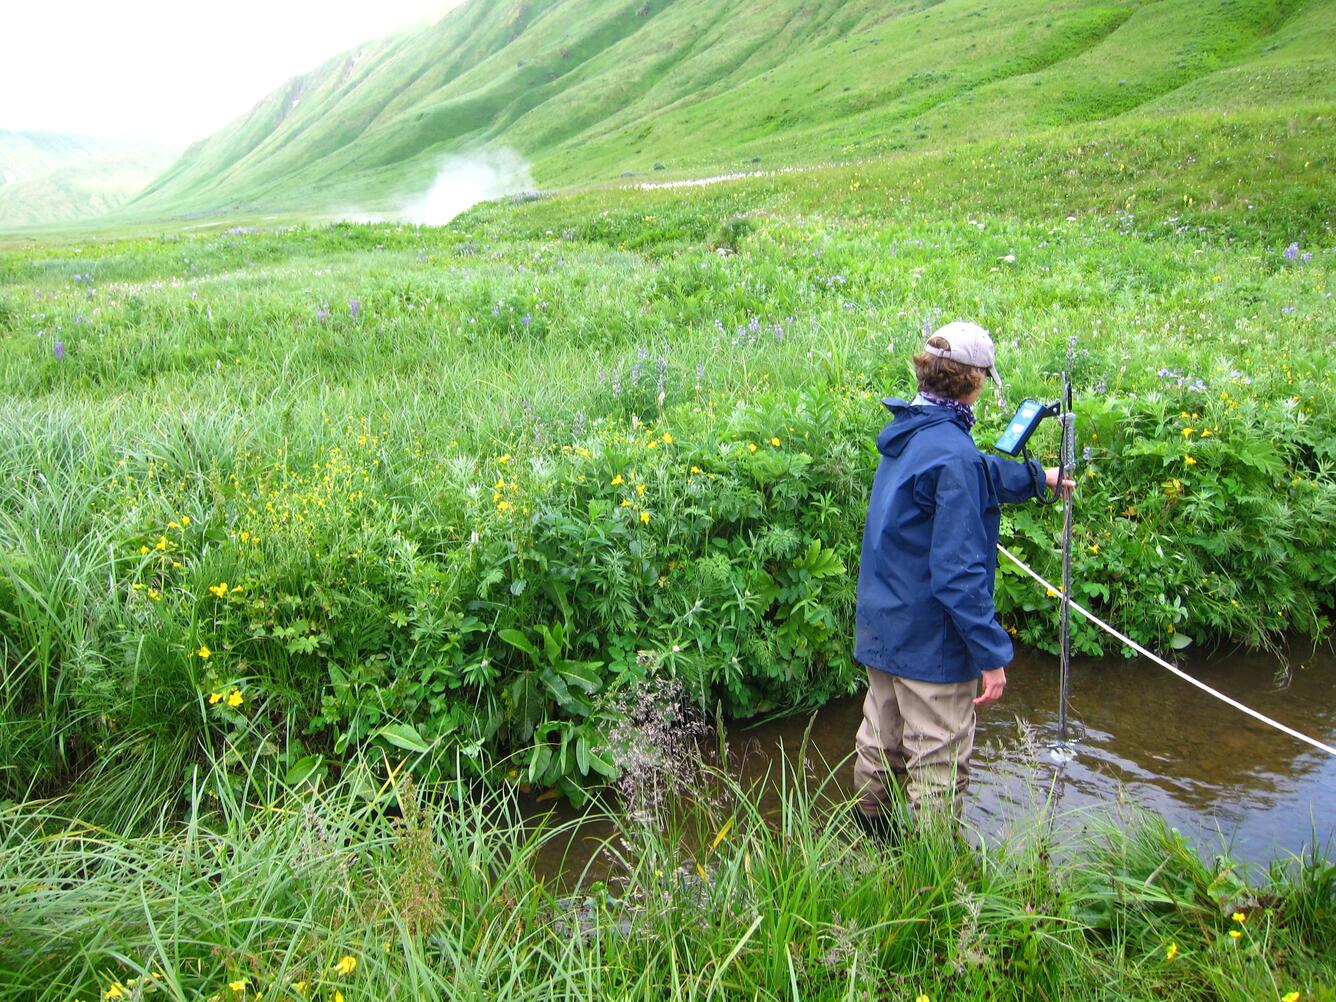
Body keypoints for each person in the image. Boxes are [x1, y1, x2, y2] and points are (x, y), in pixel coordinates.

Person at [852, 321, 1072, 837]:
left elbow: (974, 470)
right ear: (975, 383)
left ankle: (869, 850)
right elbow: (957, 575)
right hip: (932, 641)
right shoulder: (952, 454)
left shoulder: (911, 431)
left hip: (884, 624)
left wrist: (1036, 478)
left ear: (925, 374)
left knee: (880, 742)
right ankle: (932, 884)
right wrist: (991, 655)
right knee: (938, 759)